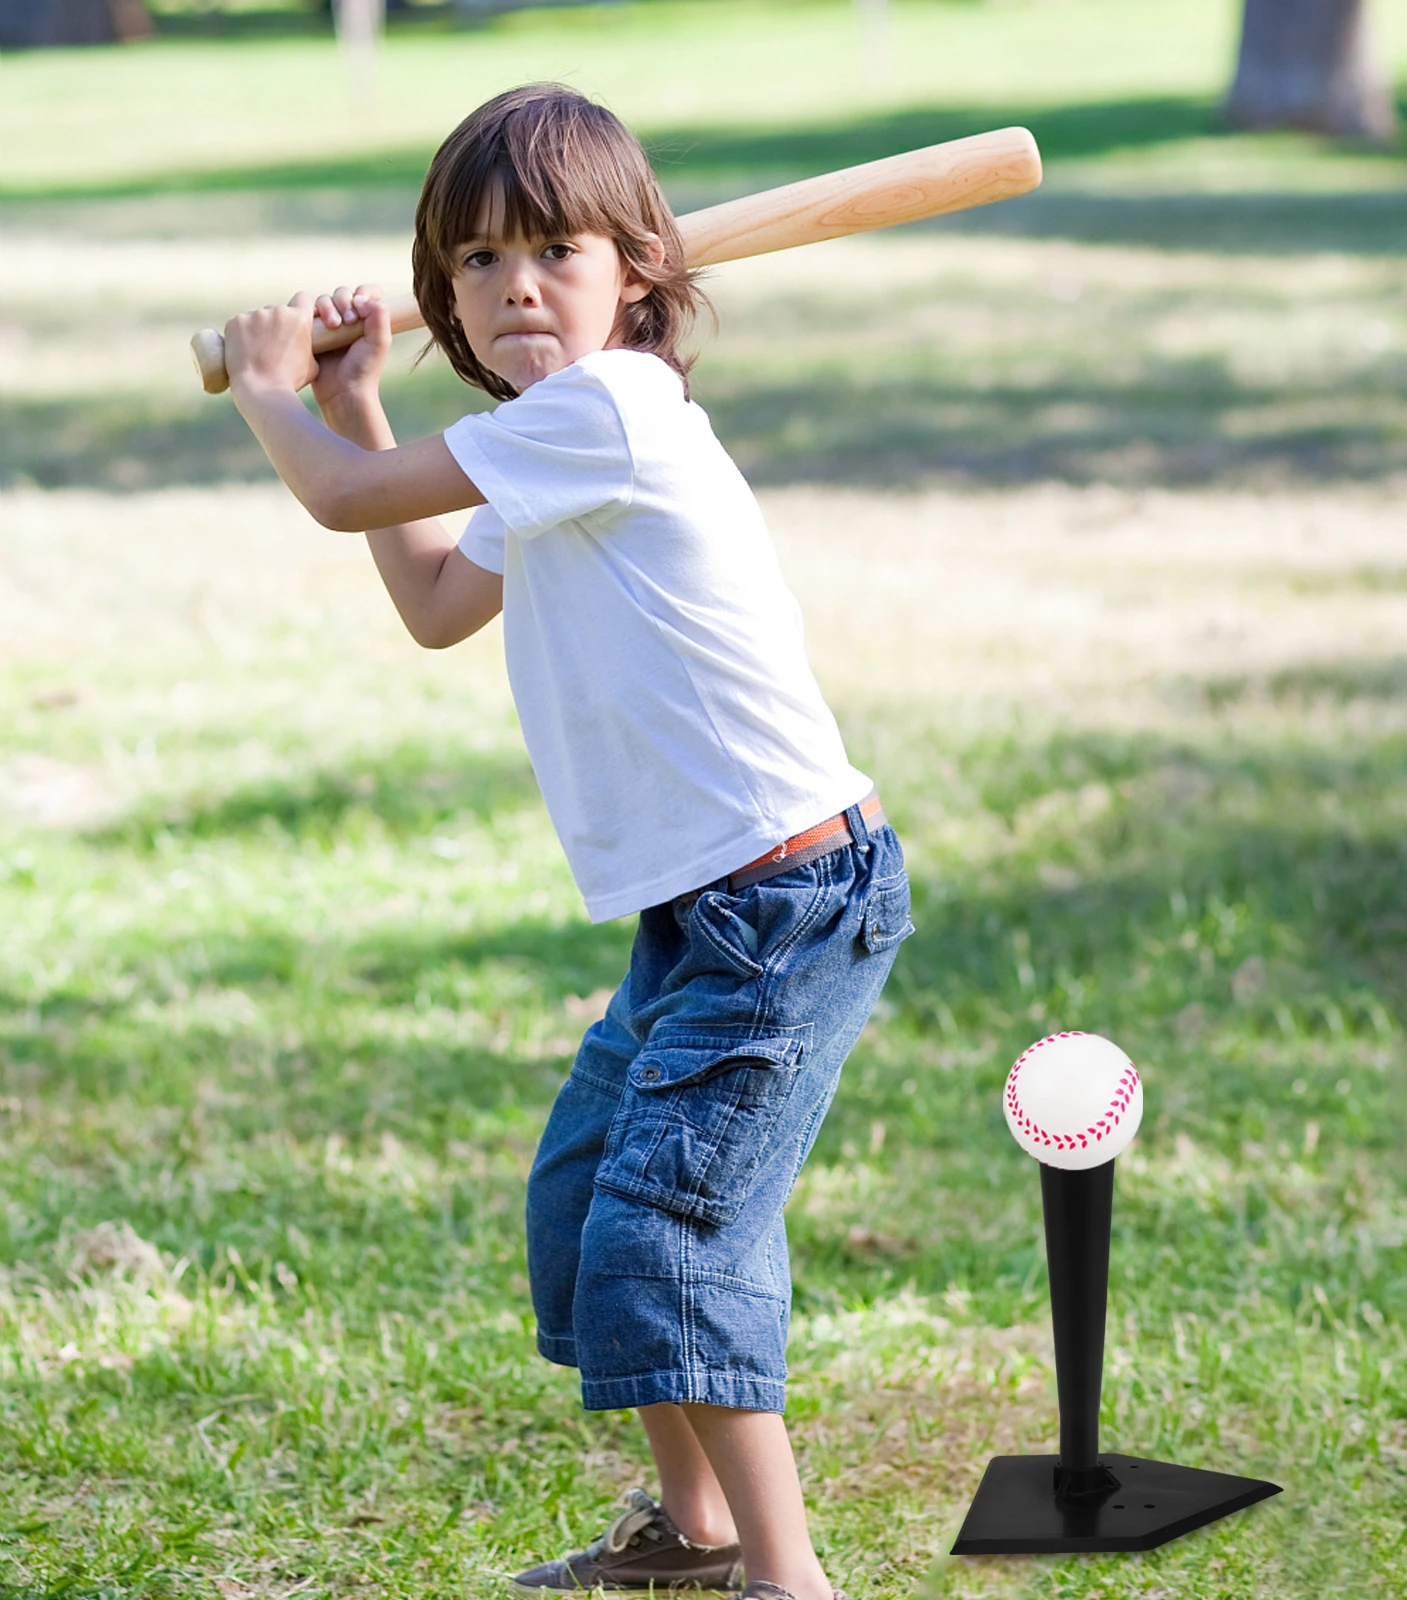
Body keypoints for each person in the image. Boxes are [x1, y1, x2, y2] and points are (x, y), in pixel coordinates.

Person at [221, 84, 912, 1600]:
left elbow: (342, 509)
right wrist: (350, 402)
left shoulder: (612, 409)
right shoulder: (549, 439)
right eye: (475, 262)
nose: (515, 286)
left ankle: (788, 1581)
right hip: (702, 913)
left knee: (672, 1232)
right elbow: (430, 603)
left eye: (555, 252)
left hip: (790, 902)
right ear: (442, 297)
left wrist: (273, 385)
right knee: (590, 1205)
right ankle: (696, 1536)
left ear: (638, 279)